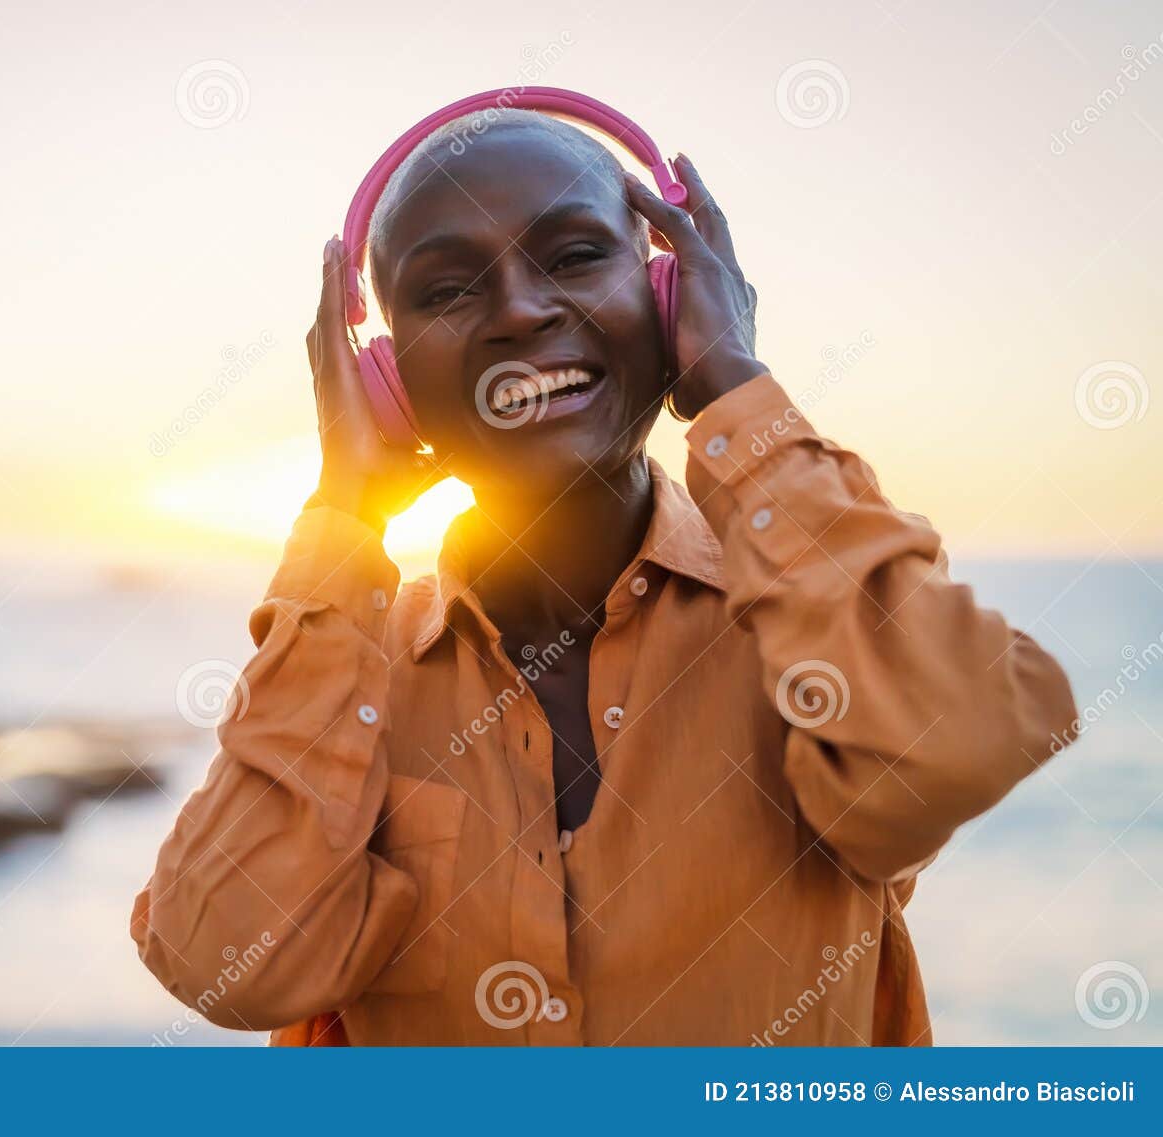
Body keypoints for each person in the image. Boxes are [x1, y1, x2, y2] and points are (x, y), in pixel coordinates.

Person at [130, 108, 1079, 1045]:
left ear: (668, 299)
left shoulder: (808, 606)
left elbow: (965, 739)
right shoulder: (350, 672)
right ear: (385, 377)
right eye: (449, 288)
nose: (519, 310)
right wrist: (344, 517)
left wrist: (734, 387)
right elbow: (226, 959)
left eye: (577, 256)